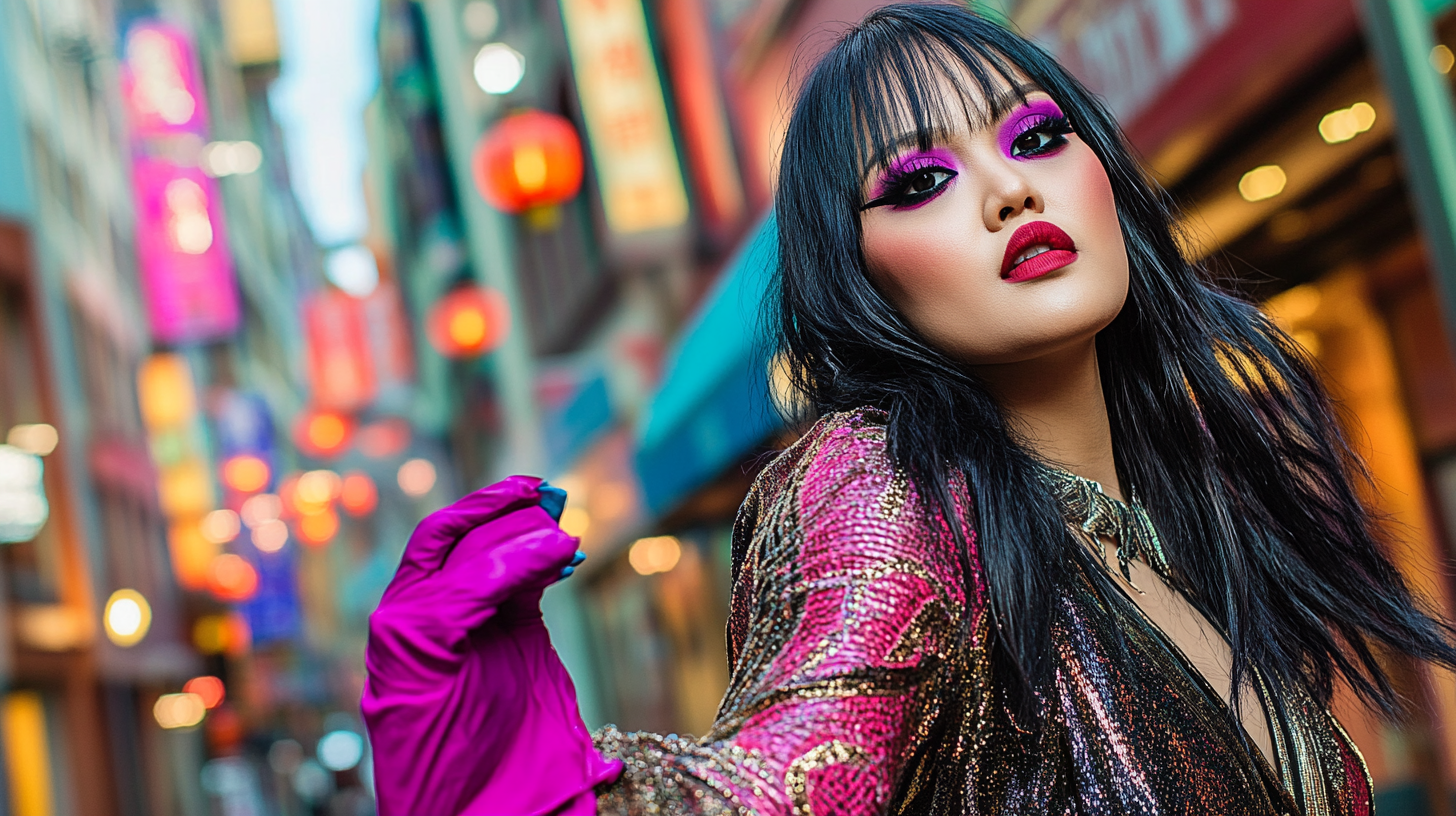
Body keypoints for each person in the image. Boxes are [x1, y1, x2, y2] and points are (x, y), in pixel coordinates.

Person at [361, 4, 1456, 814]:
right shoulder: (886, 484)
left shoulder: (1186, 511)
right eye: (918, 181)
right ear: (859, 273)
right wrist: (533, 784)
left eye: (1033, 137)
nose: (1008, 191)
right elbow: (782, 782)